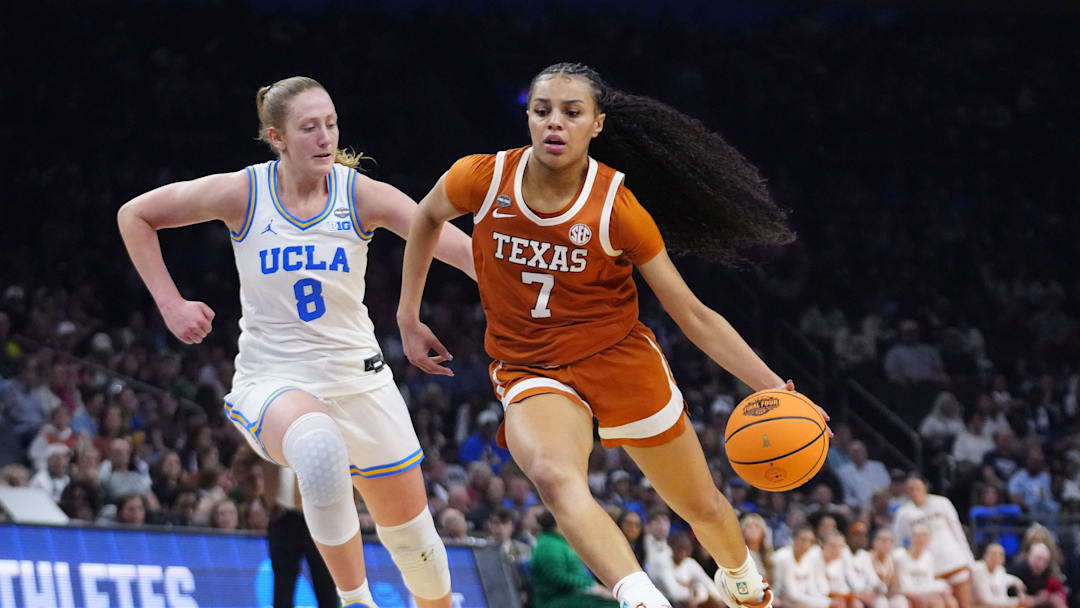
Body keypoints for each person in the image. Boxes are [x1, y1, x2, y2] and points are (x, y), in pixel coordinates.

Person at [398, 61, 818, 608]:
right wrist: (408, 314)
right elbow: (426, 217)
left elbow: (693, 314)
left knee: (703, 508)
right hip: (531, 368)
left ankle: (741, 575)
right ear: (527, 116)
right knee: (552, 474)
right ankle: (639, 596)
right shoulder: (482, 177)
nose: (555, 123)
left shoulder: (618, 209)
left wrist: (773, 386)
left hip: (617, 359)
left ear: (596, 124)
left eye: (571, 113)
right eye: (543, 110)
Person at [117, 76, 474, 608]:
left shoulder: (360, 195)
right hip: (275, 377)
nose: (325, 136)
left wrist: (523, 299)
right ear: (277, 138)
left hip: (360, 379)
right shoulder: (244, 191)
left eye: (330, 123)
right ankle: (355, 601)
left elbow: (460, 249)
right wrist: (171, 303)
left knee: (415, 542)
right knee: (318, 449)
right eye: (309, 127)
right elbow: (135, 214)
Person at [893, 475, 974, 608]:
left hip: (955, 561)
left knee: (964, 604)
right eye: (910, 489)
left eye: (917, 487)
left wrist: (968, 557)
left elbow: (957, 531)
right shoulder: (903, 513)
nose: (914, 491)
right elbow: (898, 544)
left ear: (925, 487)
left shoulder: (942, 503)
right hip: (930, 570)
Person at [530, 509, 618, 608]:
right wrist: (591, 586)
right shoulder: (548, 546)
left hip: (572, 595)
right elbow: (558, 578)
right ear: (560, 522)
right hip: (555, 600)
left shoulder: (557, 541)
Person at [893, 524, 956, 608]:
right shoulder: (900, 556)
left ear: (929, 540)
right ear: (911, 538)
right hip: (907, 594)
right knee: (935, 603)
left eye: (924, 536)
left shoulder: (928, 557)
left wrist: (943, 588)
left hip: (925, 592)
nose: (921, 539)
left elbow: (929, 582)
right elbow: (903, 586)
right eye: (917, 536)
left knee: (950, 601)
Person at [772, 526, 831, 608]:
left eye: (811, 541)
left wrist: (826, 602)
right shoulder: (784, 557)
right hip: (778, 600)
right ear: (794, 539)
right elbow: (792, 594)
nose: (806, 544)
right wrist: (825, 603)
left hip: (798, 601)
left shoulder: (808, 558)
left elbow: (812, 589)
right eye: (803, 540)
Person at [970, 543, 1026, 608]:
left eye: (1000, 554)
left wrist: (1021, 595)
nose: (996, 557)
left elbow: (1014, 581)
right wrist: (1013, 602)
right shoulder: (978, 569)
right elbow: (985, 600)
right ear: (985, 555)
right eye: (993, 554)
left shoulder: (1000, 570)